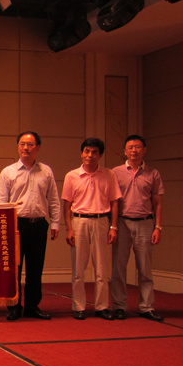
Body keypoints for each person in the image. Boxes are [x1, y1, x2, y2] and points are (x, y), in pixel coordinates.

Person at [0, 131, 61, 321]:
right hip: (16, 225)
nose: (25, 148)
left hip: (39, 225)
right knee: (13, 269)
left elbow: (53, 200)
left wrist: (55, 223)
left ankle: (32, 306)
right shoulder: (8, 172)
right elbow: (1, 202)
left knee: (35, 268)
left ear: (38, 148)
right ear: (18, 147)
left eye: (30, 144)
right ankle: (14, 307)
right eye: (22, 144)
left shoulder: (46, 171)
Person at [62, 137, 122, 320]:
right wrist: (69, 228)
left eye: (94, 152)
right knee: (78, 269)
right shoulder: (71, 176)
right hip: (79, 221)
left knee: (102, 269)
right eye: (87, 151)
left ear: (100, 155)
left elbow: (115, 202)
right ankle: (78, 306)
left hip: (101, 220)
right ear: (81, 153)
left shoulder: (109, 175)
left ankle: (101, 306)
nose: (90, 155)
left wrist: (113, 227)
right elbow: (67, 205)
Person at [110, 135, 165, 322]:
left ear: (144, 150)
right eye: (131, 147)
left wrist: (158, 227)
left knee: (145, 268)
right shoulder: (115, 173)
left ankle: (146, 307)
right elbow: (112, 202)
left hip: (145, 223)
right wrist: (113, 226)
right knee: (118, 268)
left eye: (138, 147)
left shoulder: (153, 173)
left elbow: (157, 203)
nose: (134, 150)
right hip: (122, 223)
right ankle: (119, 306)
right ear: (125, 151)